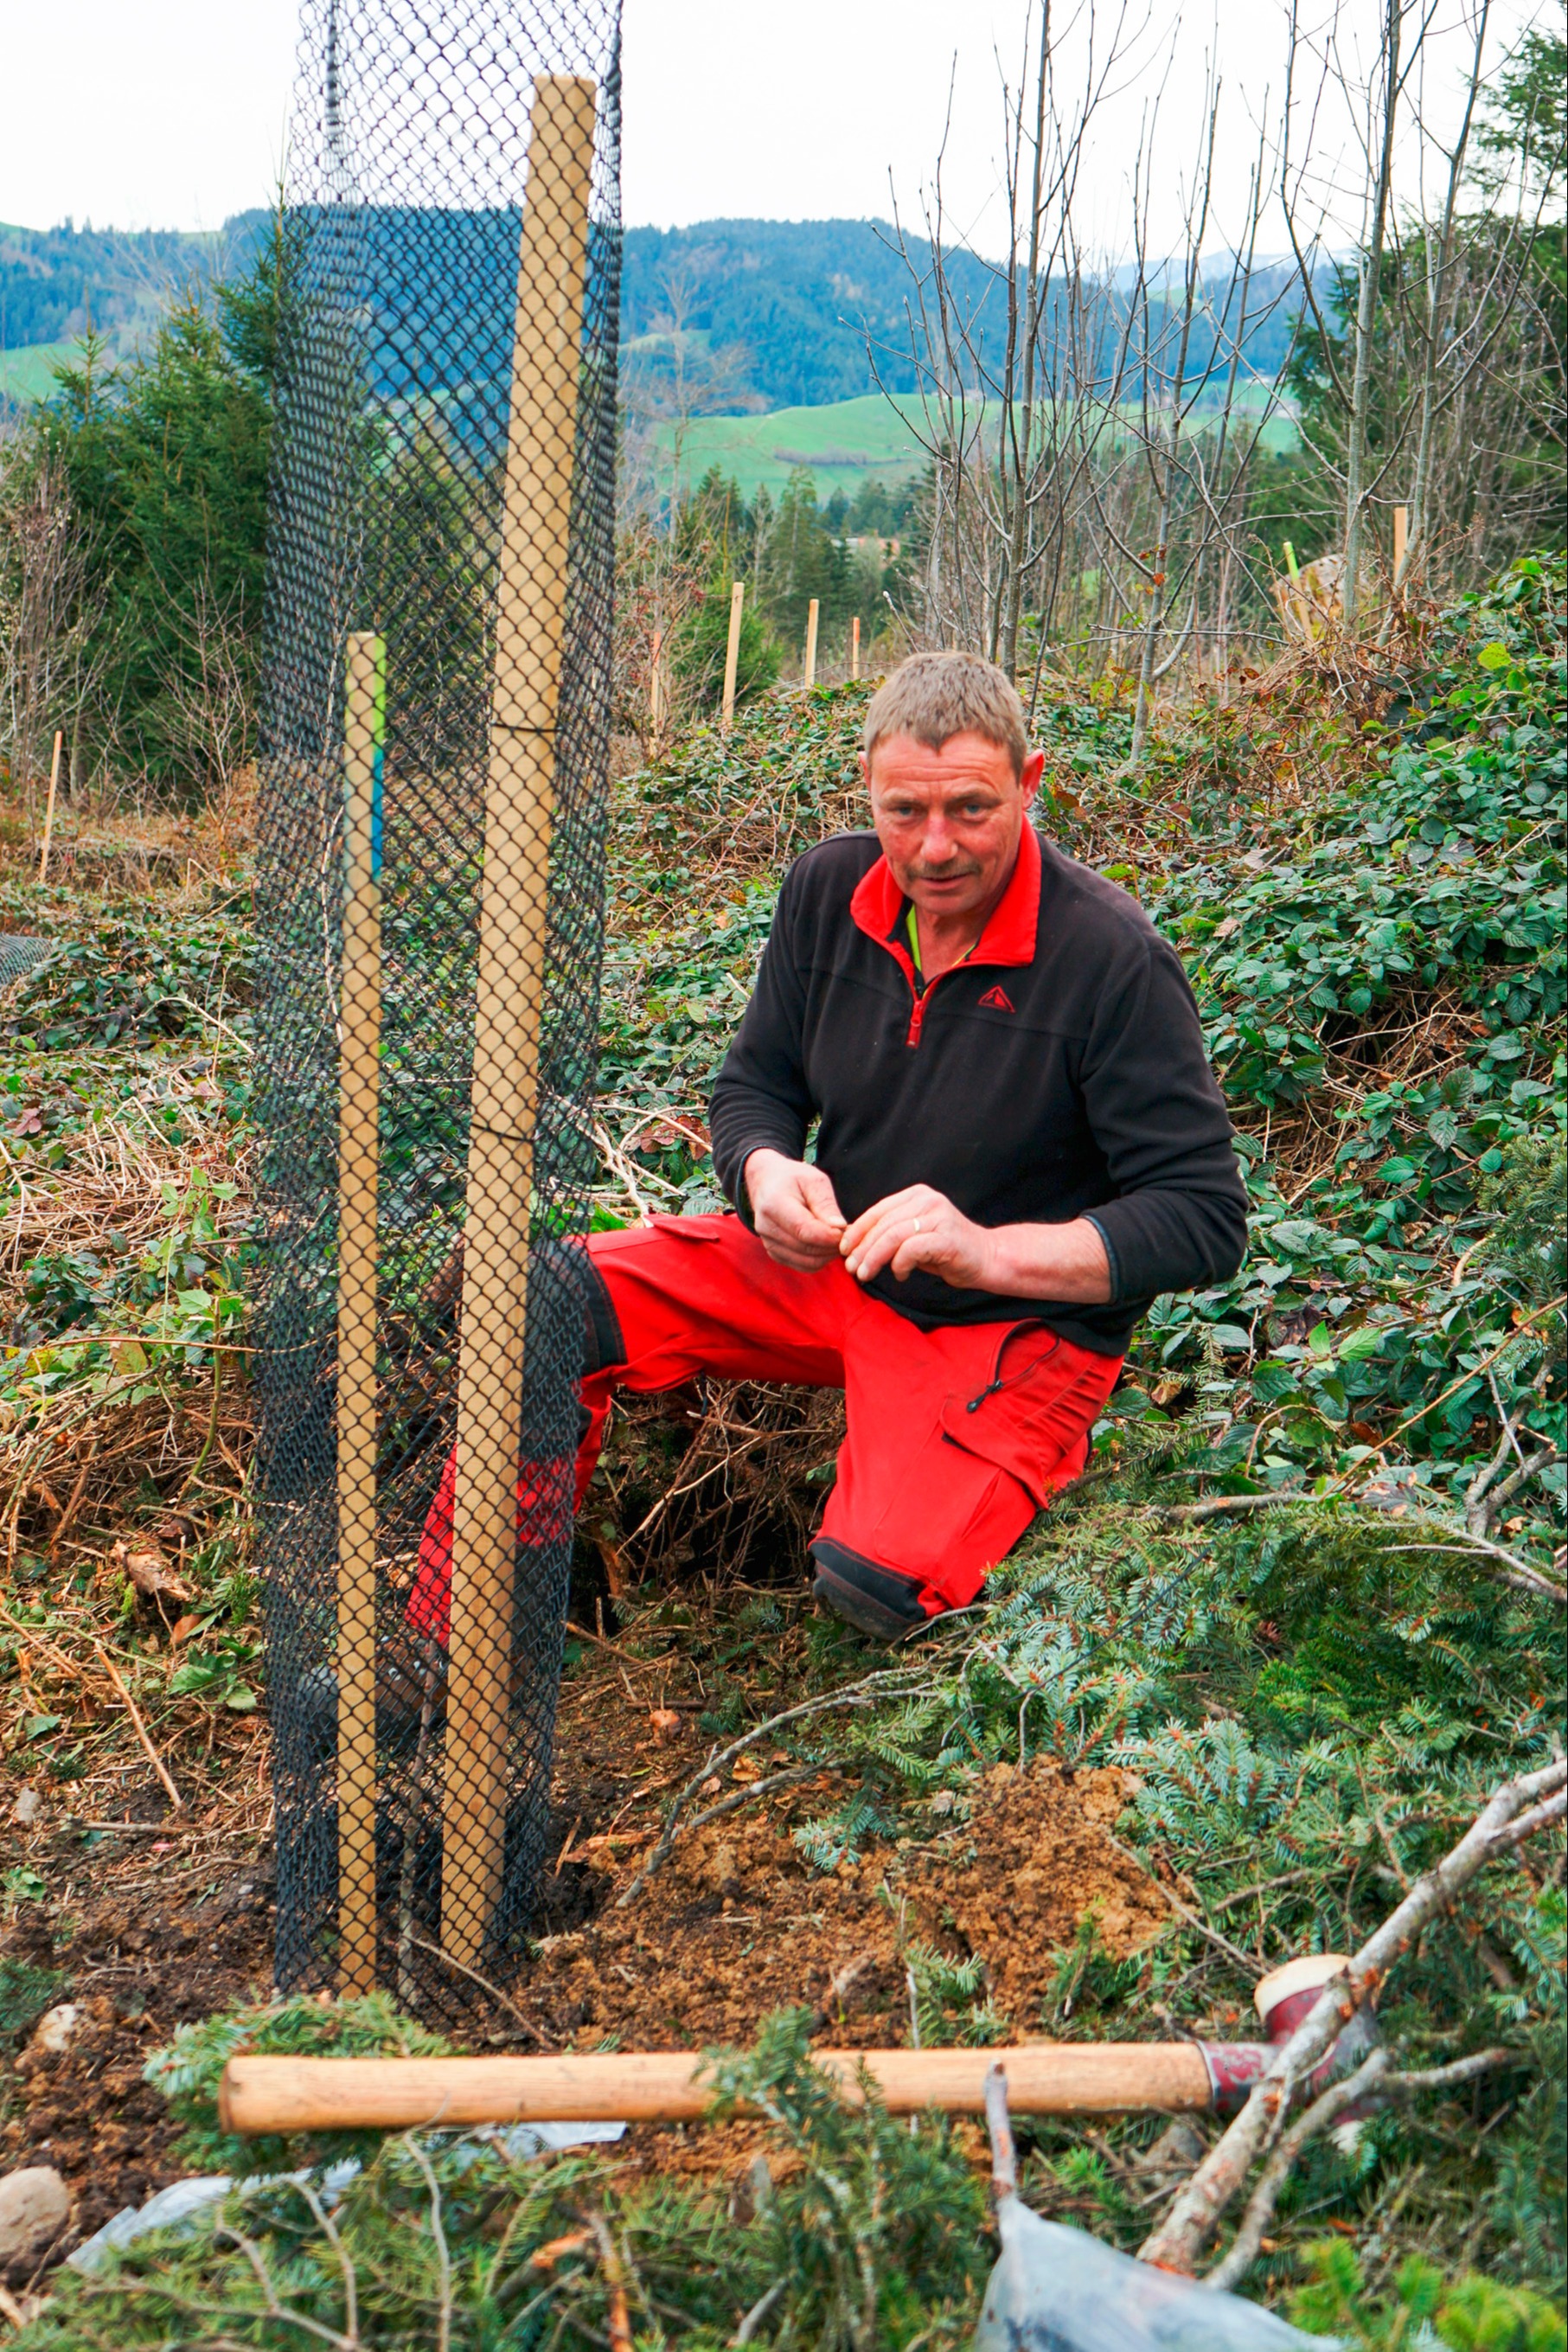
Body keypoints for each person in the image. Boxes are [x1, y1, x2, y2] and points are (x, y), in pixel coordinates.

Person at [410, 651, 1247, 1646]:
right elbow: (756, 1084)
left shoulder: (1111, 958)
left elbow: (1201, 1219)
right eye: (904, 812)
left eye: (971, 809)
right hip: (833, 1269)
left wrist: (983, 1248)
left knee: (877, 1586)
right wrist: (763, 1170)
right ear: (868, 788)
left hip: (1007, 1330)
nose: (934, 848)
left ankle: (925, 1523)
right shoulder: (824, 890)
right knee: (544, 1305)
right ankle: (458, 1647)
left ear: (1030, 784)